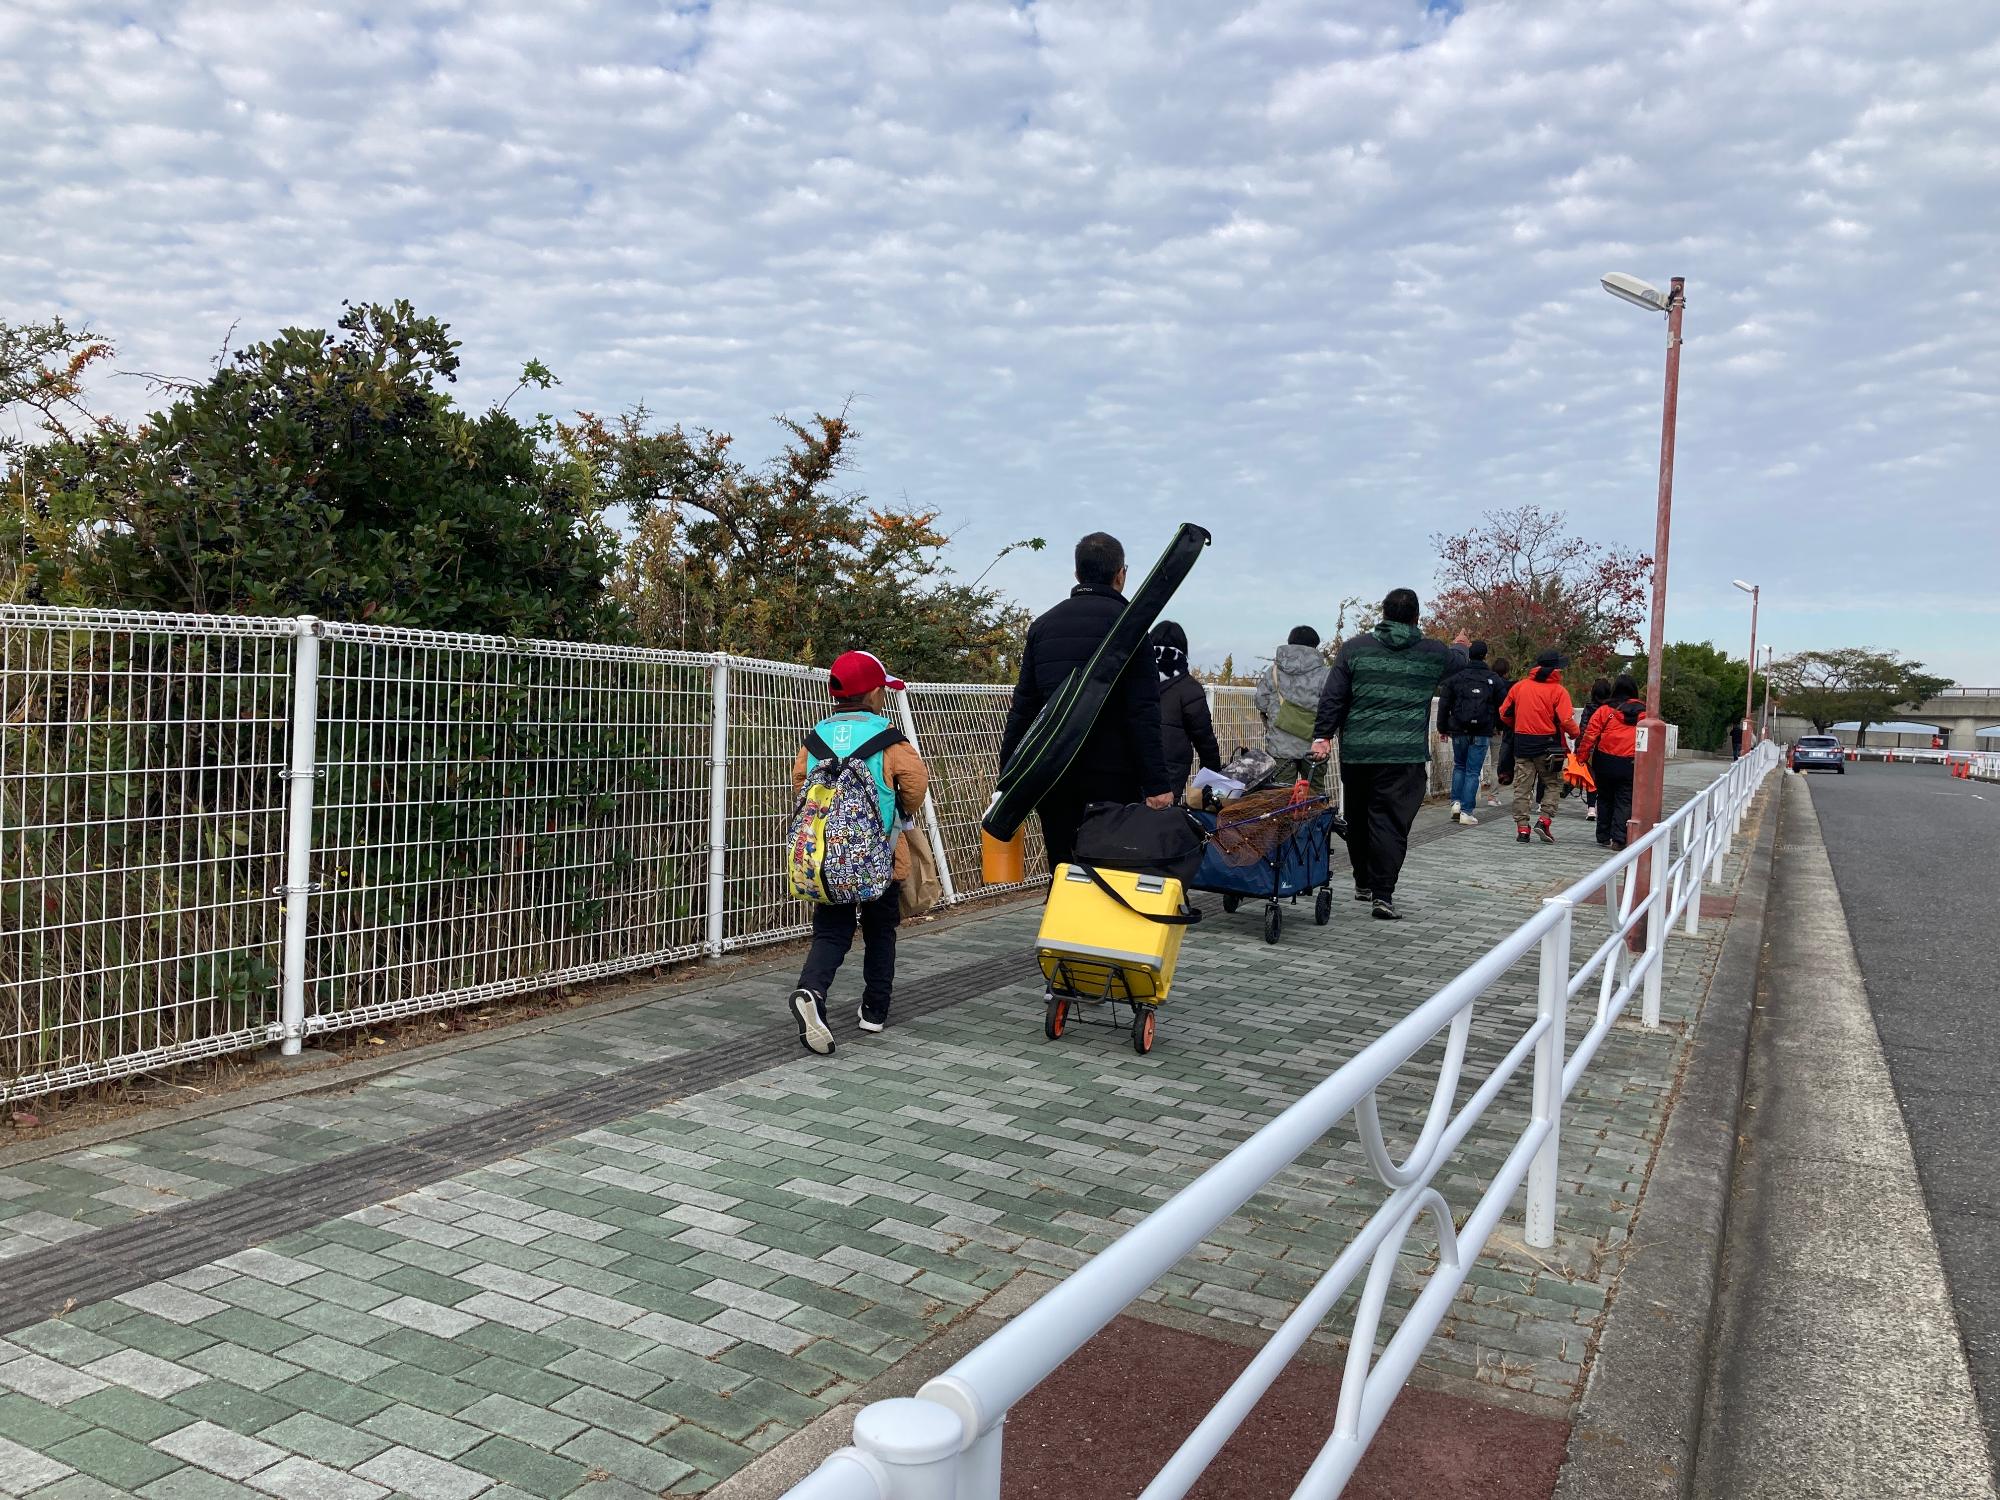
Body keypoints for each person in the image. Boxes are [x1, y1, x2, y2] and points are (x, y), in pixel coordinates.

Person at [998, 533, 1174, 872]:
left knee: (1063, 866)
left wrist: (1009, 773)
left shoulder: (1043, 626)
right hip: (1115, 775)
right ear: (1120, 574)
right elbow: (1143, 711)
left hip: (1053, 772)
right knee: (1110, 868)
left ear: (1078, 574)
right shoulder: (1132, 629)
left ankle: (1061, 922)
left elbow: (1025, 707)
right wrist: (1157, 783)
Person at [787, 650, 930, 1055]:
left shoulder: (815, 738)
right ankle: (874, 1011)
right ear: (872, 693)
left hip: (824, 857)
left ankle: (812, 991)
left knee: (831, 931)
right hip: (879, 857)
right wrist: (897, 810)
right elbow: (916, 783)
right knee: (880, 931)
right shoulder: (889, 738)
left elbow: (801, 781)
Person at [1308, 589, 1468, 921]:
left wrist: (1322, 736)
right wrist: (1461, 644)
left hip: (1359, 753)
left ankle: (1363, 882)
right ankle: (1383, 894)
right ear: (1416, 618)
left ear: (1382, 614)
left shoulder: (1355, 649)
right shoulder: (1433, 652)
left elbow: (1333, 696)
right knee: (1390, 823)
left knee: (1359, 818)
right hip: (1403, 756)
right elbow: (1460, 662)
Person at [1500, 651, 1577, 844]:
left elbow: (1504, 713)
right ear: (1555, 669)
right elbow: (1566, 720)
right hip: (1548, 746)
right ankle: (1544, 820)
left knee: (1522, 788)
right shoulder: (1559, 691)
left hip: (1522, 743)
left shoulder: (1519, 687)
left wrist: (1518, 725)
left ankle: (1522, 829)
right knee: (1553, 783)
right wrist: (1576, 734)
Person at [1436, 640, 1508, 826]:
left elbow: (1444, 703)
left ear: (1469, 655)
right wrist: (1499, 725)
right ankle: (1467, 812)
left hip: (1459, 729)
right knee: (1472, 771)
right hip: (1482, 731)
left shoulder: (1457, 677)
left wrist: (1443, 727)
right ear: (1485, 656)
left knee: (1459, 765)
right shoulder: (1493, 679)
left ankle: (1456, 803)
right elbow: (1503, 705)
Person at [1150, 621, 1221, 797]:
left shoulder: (1129, 678)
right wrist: (1212, 777)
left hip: (1126, 765)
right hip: (1169, 772)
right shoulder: (1188, 688)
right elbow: (1204, 739)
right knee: (1159, 821)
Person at [1255, 625, 1331, 789]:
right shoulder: (1325, 674)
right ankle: (1317, 815)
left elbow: (1260, 702)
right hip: (1314, 746)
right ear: (1315, 645)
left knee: (1280, 796)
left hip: (1280, 747)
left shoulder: (1273, 671)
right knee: (1315, 795)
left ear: (1289, 643)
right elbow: (1331, 707)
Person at [1577, 673, 1641, 849]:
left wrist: (1581, 757)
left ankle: (1603, 835)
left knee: (1604, 798)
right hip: (1630, 762)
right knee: (1624, 799)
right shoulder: (1644, 713)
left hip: (1604, 760)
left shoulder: (1605, 710)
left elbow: (1590, 735)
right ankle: (1619, 839)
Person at [1578, 677, 1612, 822]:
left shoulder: (1589, 708)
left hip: (1591, 748)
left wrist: (1579, 749)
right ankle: (1604, 808)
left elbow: (1583, 729)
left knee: (1591, 780)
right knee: (1605, 779)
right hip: (1607, 748)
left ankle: (1591, 808)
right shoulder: (1612, 709)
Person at [1486, 658, 1514, 806]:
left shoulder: (1485, 682)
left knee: (1471, 766)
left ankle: (1466, 797)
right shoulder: (1509, 687)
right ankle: (1493, 796)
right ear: (1506, 671)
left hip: (1482, 728)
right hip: (1498, 730)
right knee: (1495, 763)